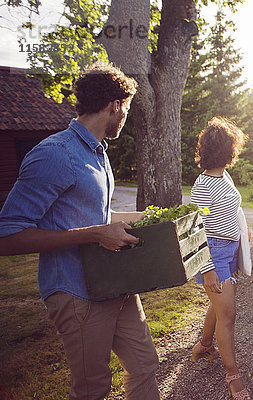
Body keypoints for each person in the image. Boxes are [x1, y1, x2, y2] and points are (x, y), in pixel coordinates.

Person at [0, 62, 161, 400]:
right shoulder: (54, 154)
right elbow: (8, 235)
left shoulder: (97, 153)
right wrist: (95, 234)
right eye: (127, 108)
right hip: (76, 291)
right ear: (116, 105)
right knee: (92, 389)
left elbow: (98, 216)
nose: (126, 117)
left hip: (116, 284)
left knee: (146, 365)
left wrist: (149, 217)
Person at [189, 117, 251, 400]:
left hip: (230, 249)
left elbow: (231, 211)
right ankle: (232, 375)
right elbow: (196, 229)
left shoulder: (223, 176)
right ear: (225, 150)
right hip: (214, 253)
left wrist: (242, 234)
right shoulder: (202, 185)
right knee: (228, 314)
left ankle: (204, 346)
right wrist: (208, 268)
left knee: (220, 305)